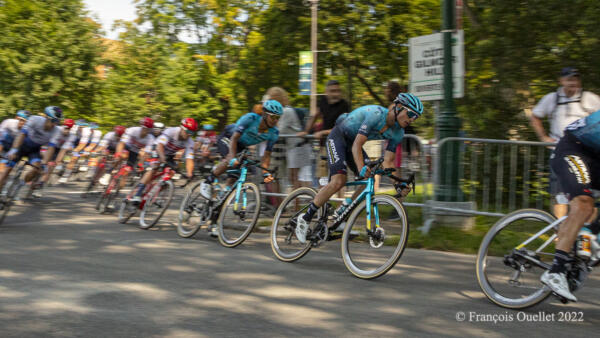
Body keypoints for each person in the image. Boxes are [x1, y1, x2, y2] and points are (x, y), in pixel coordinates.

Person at [294, 93, 424, 243]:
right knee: (338, 181)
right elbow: (357, 144)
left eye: (416, 118)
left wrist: (398, 185)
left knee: (368, 181)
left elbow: (389, 162)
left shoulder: (398, 132)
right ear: (399, 107)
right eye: (411, 114)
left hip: (352, 144)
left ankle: (342, 213)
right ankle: (304, 218)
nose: (412, 120)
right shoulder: (376, 114)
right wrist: (362, 167)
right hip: (339, 137)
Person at [540, 109, 600, 302]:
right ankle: (556, 271)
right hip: (573, 149)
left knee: (589, 215)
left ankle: (585, 241)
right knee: (583, 204)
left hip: (595, 157)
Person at [530, 67, 600, 218]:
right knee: (560, 195)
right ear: (561, 81)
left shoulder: (589, 98)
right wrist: (544, 138)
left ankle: (584, 236)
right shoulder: (552, 98)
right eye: (569, 80)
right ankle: (561, 231)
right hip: (563, 150)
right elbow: (535, 116)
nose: (573, 83)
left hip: (587, 152)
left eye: (575, 79)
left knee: (589, 197)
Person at [199, 100, 283, 199]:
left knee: (235, 173)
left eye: (278, 117)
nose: (275, 120)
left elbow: (267, 154)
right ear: (264, 114)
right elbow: (234, 138)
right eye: (273, 116)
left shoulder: (274, 132)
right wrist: (232, 157)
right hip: (228, 137)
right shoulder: (250, 118)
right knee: (231, 160)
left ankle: (223, 197)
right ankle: (208, 181)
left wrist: (265, 172)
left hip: (242, 145)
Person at [129, 118, 197, 203]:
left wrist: (189, 174)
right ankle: (137, 194)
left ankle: (152, 194)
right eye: (187, 131)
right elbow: (160, 145)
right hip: (158, 149)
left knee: (171, 174)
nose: (188, 134)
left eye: (191, 133)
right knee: (154, 167)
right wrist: (162, 158)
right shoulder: (171, 131)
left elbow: (189, 159)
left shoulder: (190, 142)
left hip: (170, 155)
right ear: (181, 127)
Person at [0, 106, 63, 197]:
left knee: (36, 169)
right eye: (53, 121)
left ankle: (21, 184)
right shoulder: (35, 119)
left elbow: (51, 148)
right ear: (46, 118)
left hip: (34, 150)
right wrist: (14, 149)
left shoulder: (56, 131)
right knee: (7, 170)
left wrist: (44, 163)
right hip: (22, 145)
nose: (54, 124)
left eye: (57, 122)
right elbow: (22, 135)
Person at [298, 80, 350, 182]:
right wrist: (306, 131)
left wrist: (323, 132)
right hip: (324, 145)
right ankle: (322, 198)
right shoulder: (323, 101)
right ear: (327, 92)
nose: (336, 94)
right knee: (323, 177)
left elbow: (342, 127)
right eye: (333, 91)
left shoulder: (344, 105)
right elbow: (314, 116)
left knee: (339, 177)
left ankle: (339, 198)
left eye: (338, 91)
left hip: (339, 145)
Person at [270, 87, 313, 190]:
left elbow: (279, 131)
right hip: (294, 147)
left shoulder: (286, 111)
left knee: (297, 178)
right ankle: (298, 203)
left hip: (297, 147)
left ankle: (307, 202)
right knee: (295, 178)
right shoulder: (284, 111)